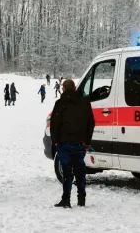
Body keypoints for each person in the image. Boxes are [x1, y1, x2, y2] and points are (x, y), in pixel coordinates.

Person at [50, 79, 95, 208]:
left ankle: (66, 200)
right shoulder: (84, 103)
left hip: (64, 143)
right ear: (75, 88)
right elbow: (90, 123)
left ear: (63, 89)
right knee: (80, 172)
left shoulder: (60, 103)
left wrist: (55, 141)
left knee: (67, 172)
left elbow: (55, 124)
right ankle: (81, 199)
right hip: (80, 143)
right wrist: (87, 141)